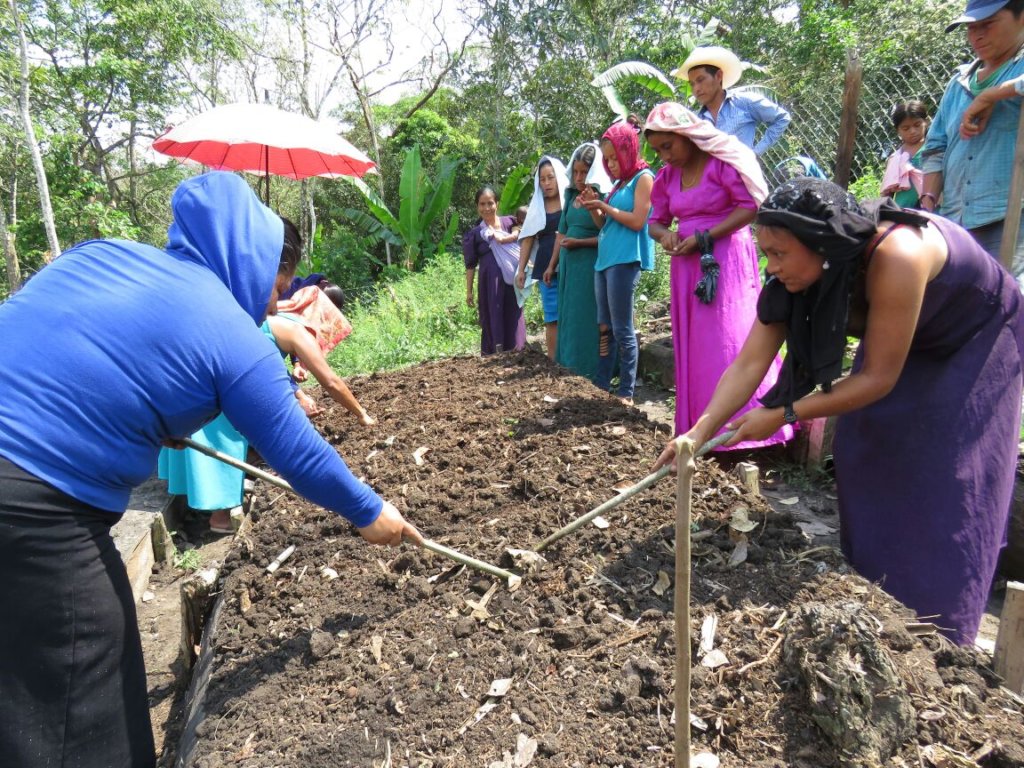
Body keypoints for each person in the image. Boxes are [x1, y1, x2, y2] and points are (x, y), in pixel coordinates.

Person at [0, 171, 422, 767]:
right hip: (33, 505)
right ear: (247, 258)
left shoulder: (103, 254)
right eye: (277, 283)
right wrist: (370, 512)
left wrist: (154, 415)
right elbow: (298, 453)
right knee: (86, 686)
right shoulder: (233, 332)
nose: (275, 302)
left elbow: (64, 347)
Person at [654, 176, 1024, 646]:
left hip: (972, 338)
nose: (771, 266)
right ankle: (874, 589)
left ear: (822, 245)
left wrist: (785, 413)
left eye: (780, 253)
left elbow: (877, 379)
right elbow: (749, 362)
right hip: (904, 336)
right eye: (766, 253)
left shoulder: (898, 256)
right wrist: (698, 430)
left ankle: (940, 632)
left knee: (946, 477)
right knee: (863, 445)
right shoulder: (797, 275)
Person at [644, 102, 793, 448]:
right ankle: (701, 430)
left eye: (668, 145)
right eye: (658, 150)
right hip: (687, 265)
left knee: (730, 335)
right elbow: (655, 222)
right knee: (698, 344)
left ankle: (747, 432)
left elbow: (749, 207)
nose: (665, 156)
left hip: (725, 259)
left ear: (687, 135)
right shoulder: (667, 177)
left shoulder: (721, 164)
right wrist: (666, 236)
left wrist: (706, 237)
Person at [921, 0, 1024, 281]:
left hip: (1011, 219)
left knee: (1010, 297)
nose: (976, 36)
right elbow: (935, 147)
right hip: (956, 224)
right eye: (970, 28)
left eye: (987, 25)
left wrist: (993, 94)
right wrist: (929, 200)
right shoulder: (959, 82)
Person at [580, 117, 655, 405]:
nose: (611, 164)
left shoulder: (643, 178)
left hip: (625, 260)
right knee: (605, 326)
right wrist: (594, 206)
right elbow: (603, 225)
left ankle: (626, 391)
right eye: (607, 159)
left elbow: (637, 221)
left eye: (614, 157)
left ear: (628, 150)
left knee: (622, 327)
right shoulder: (619, 184)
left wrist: (604, 205)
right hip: (605, 260)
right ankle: (602, 383)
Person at [544, 142, 611, 382]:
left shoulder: (602, 196)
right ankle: (568, 365)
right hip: (568, 265)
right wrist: (552, 265)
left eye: (585, 172)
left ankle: (589, 370)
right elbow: (561, 233)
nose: (580, 177)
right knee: (569, 315)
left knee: (586, 315)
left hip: (589, 265)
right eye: (576, 172)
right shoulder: (570, 195)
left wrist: (580, 242)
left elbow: (606, 233)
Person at [674, 45, 791, 156]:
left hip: (742, 170)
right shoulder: (696, 121)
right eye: (692, 84)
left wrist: (755, 153)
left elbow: (782, 118)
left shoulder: (744, 103)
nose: (696, 89)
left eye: (701, 80)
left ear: (718, 76)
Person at [463, 186, 527, 355]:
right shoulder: (476, 234)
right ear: (477, 206)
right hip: (490, 283)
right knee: (493, 313)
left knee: (514, 314)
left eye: (490, 203)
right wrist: (469, 292)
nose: (486, 208)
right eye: (482, 204)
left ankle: (518, 351)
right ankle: (494, 354)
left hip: (512, 280)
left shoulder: (510, 222)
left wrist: (513, 234)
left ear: (497, 204)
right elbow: (470, 265)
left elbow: (525, 233)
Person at [517, 156, 569, 360]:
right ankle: (554, 363)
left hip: (570, 265)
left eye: (551, 177)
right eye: (542, 179)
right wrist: (521, 270)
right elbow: (528, 238)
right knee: (552, 318)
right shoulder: (537, 206)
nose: (546, 183)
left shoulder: (570, 201)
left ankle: (573, 361)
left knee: (572, 314)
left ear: (559, 177)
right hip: (546, 269)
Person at [881, 100, 929, 208]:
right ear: (898, 130)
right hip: (903, 210)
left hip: (933, 209)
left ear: (926, 122)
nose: (912, 131)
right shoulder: (895, 158)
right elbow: (887, 193)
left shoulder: (933, 149)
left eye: (917, 125)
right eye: (906, 128)